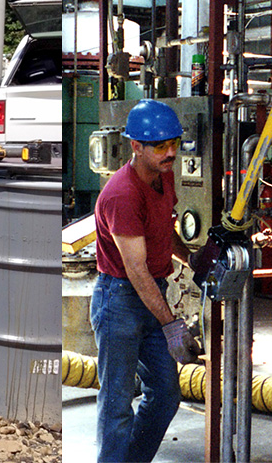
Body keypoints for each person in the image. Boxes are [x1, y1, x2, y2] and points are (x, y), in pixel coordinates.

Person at [91, 99, 192, 463]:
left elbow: (165, 229)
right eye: (160, 146)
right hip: (119, 300)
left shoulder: (163, 177)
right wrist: (171, 326)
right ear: (136, 146)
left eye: (174, 144)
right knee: (117, 404)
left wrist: (192, 257)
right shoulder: (122, 194)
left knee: (165, 395)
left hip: (152, 296)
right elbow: (136, 270)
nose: (170, 153)